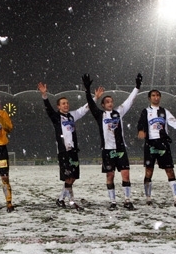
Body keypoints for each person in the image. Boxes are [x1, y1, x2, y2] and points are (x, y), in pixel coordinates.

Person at [83, 73, 141, 211]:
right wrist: (87, 90)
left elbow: (129, 100)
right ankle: (113, 202)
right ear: (103, 105)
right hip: (108, 150)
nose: (110, 103)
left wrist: (137, 87)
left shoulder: (119, 112)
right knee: (110, 175)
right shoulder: (100, 115)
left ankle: (127, 200)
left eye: (111, 101)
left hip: (121, 149)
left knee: (126, 174)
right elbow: (91, 105)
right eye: (107, 102)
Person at [137, 89, 176, 206]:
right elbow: (140, 123)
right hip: (150, 144)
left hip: (163, 143)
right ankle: (148, 198)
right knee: (149, 171)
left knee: (170, 171)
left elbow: (175, 123)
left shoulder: (164, 112)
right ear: (149, 98)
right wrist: (141, 131)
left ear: (160, 98)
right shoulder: (145, 111)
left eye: (157, 95)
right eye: (153, 95)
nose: (156, 97)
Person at [38, 81, 89, 210]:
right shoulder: (56, 117)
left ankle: (61, 199)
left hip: (73, 151)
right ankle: (71, 201)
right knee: (68, 177)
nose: (66, 105)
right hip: (64, 151)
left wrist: (95, 98)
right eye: (63, 103)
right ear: (59, 106)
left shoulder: (72, 116)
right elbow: (49, 109)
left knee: (73, 178)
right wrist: (44, 95)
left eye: (67, 103)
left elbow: (84, 109)